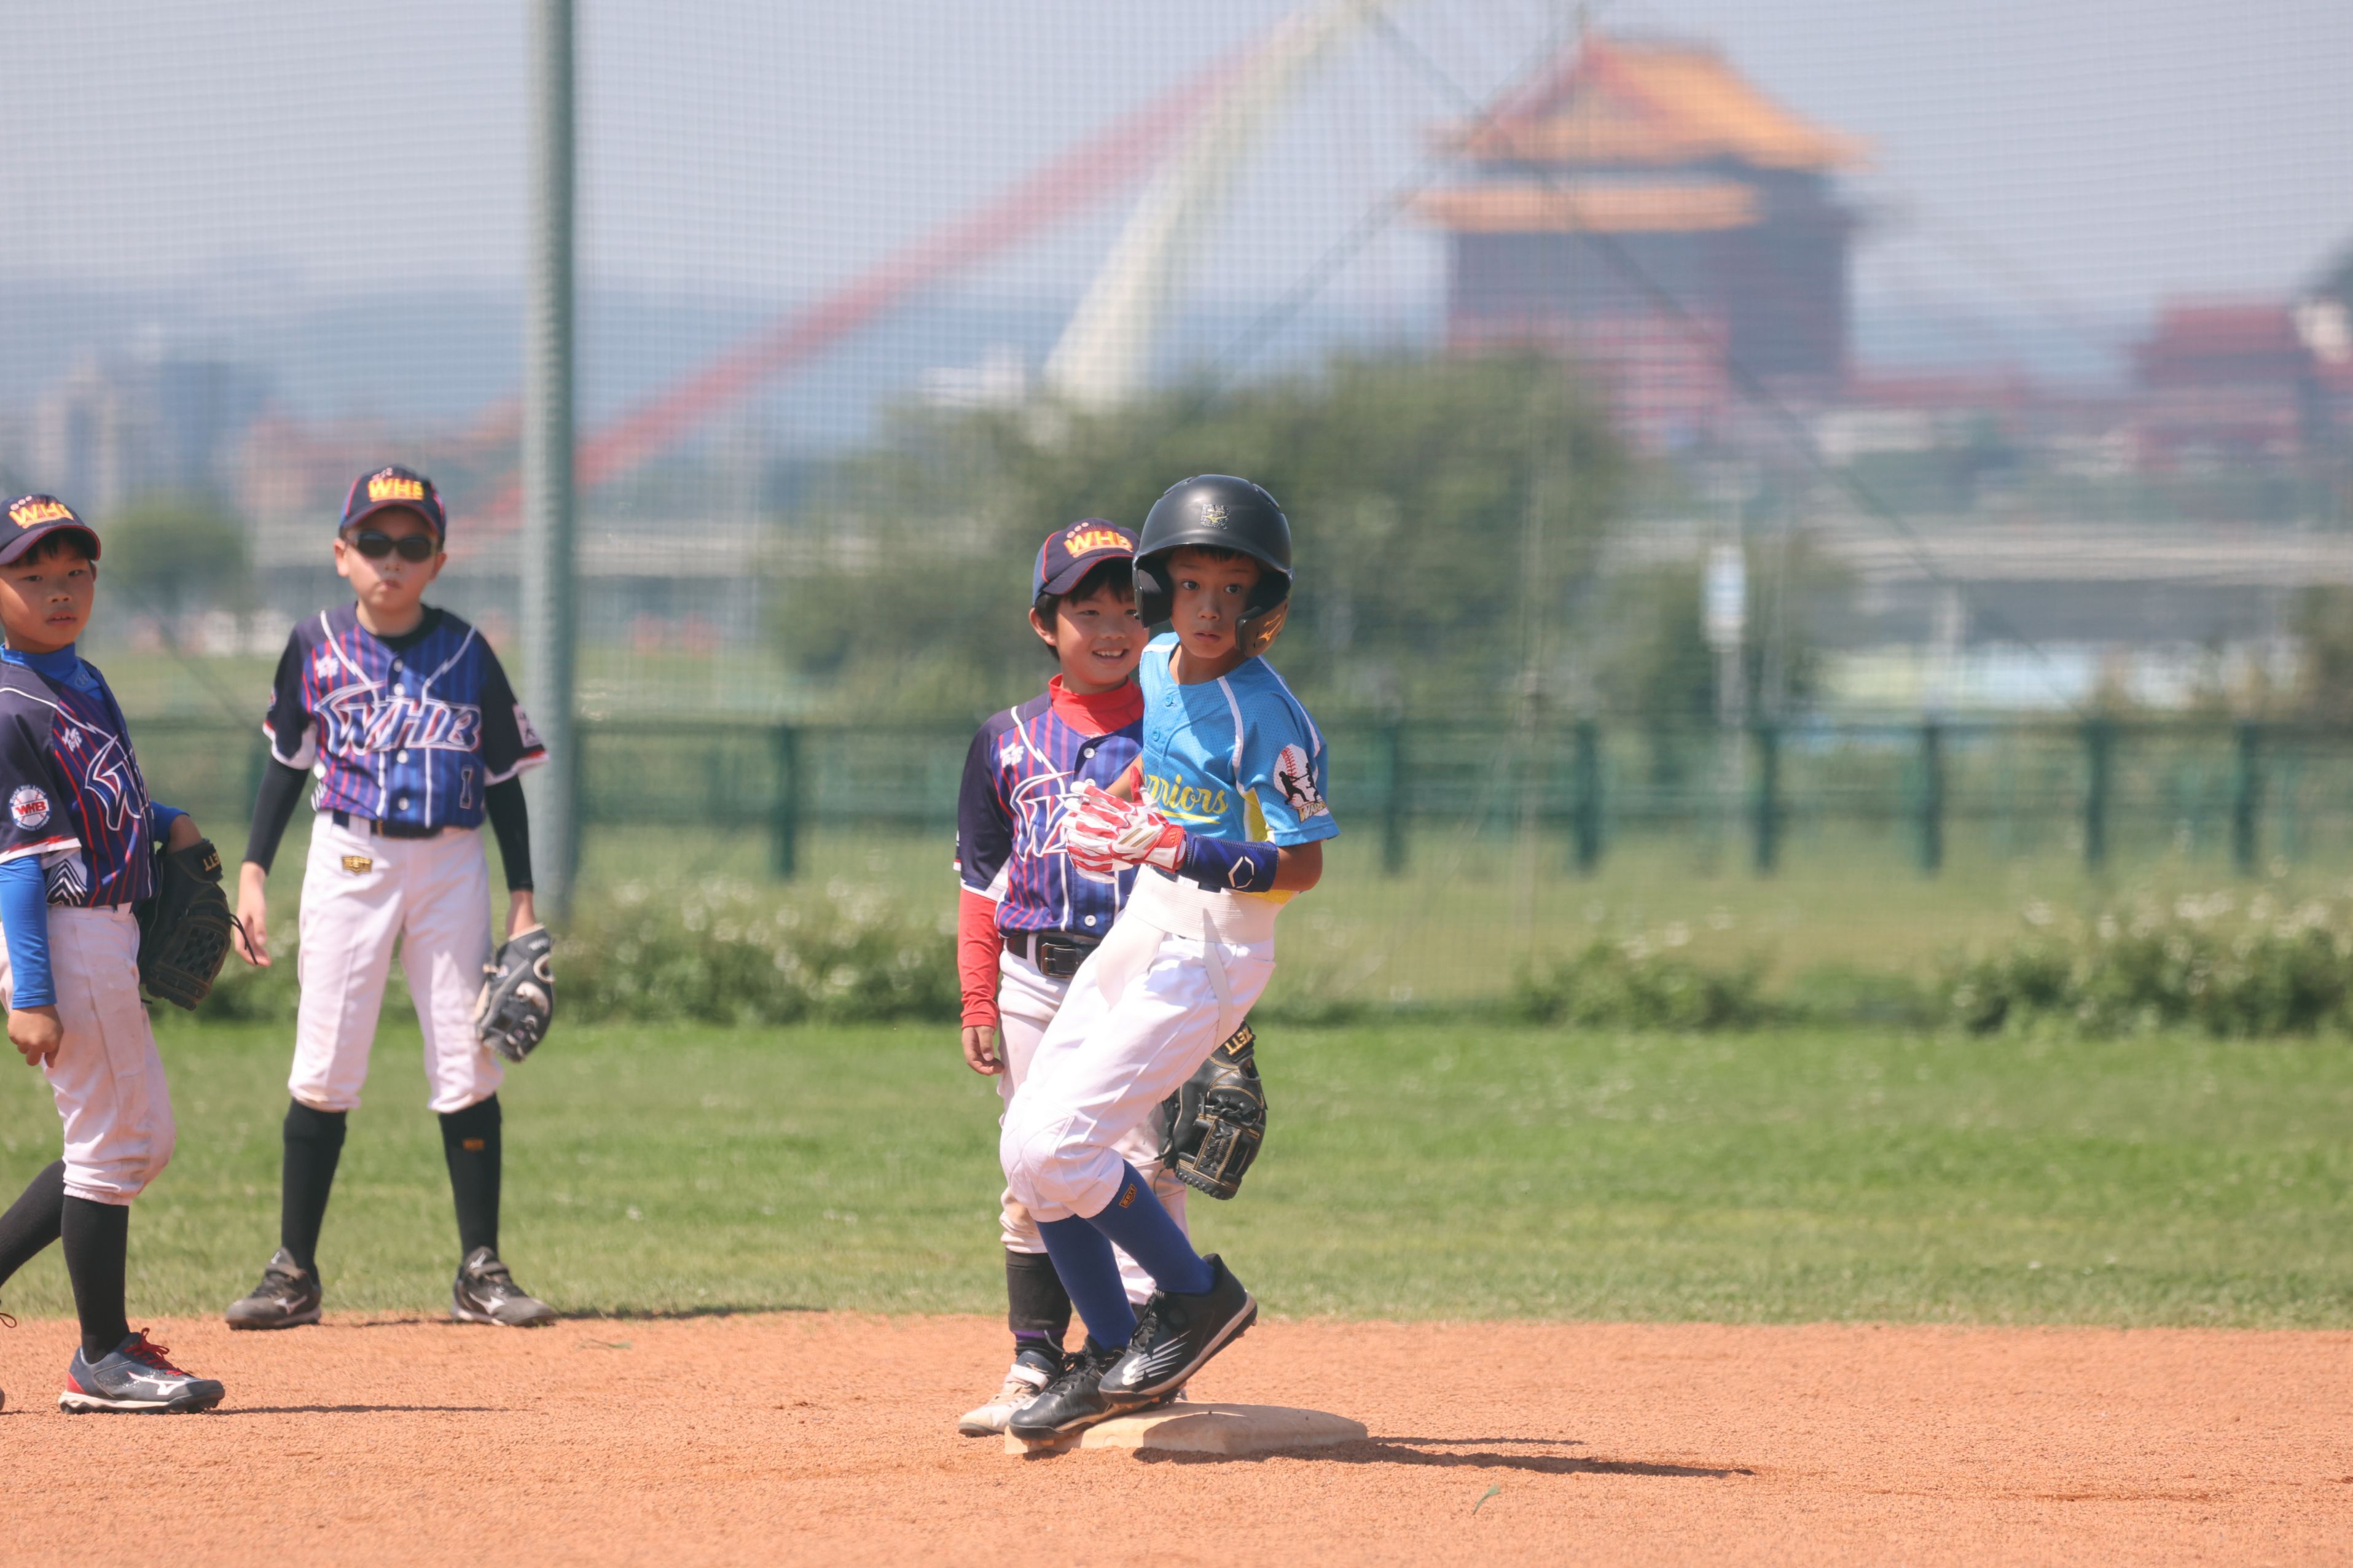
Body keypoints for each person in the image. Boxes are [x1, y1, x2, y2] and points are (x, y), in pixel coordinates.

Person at [999, 475, 1334, 1440]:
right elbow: (1168, 757)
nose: (1210, 609)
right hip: (1149, 919)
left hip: (1215, 945)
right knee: (1026, 1149)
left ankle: (1194, 1296)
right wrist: (1120, 803)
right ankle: (1111, 1351)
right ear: (1162, 591)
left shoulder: (1269, 718)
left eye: (1233, 588)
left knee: (1065, 1147)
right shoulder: (1153, 663)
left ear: (1265, 600)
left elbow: (1303, 865)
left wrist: (1188, 848)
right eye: (1191, 585)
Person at [222, 466, 557, 1330]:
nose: (392, 558)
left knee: (468, 1058)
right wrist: (253, 871)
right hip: (351, 857)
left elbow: (503, 783)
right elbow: (286, 766)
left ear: (438, 560)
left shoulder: (469, 652)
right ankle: (293, 1271)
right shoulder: (314, 643)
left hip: (451, 862)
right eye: (373, 541)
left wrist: (523, 897)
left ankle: (480, 1270)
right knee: (326, 1060)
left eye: (413, 543)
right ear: (342, 553)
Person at [952, 519, 1256, 1437]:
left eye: (1130, 608)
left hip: (1144, 976)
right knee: (1032, 1163)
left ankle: (1151, 1355)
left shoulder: (1178, 724)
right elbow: (980, 884)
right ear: (1044, 624)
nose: (1114, 627)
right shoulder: (1004, 740)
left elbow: (1222, 866)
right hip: (1032, 975)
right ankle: (1040, 1357)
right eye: (1088, 610)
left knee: (1142, 1164)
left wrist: (1226, 1024)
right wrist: (976, 995)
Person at [0, 494, 227, 1412]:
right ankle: (102, 1356)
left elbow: (108, 795)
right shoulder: (12, 705)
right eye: (31, 575)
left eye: (75, 572)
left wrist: (169, 821)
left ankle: (101, 1350)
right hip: (63, 932)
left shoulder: (81, 680)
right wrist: (33, 994)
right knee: (114, 1142)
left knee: (139, 1139)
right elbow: (18, 864)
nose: (59, 590)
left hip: (105, 928)